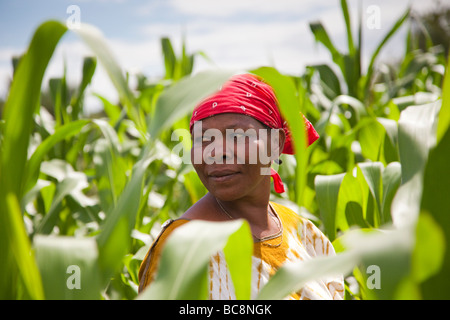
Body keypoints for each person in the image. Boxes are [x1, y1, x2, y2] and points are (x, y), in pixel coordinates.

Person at [138, 73, 344, 300]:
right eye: (203, 139)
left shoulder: (303, 233)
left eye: (237, 135)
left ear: (275, 144)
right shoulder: (182, 250)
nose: (216, 152)